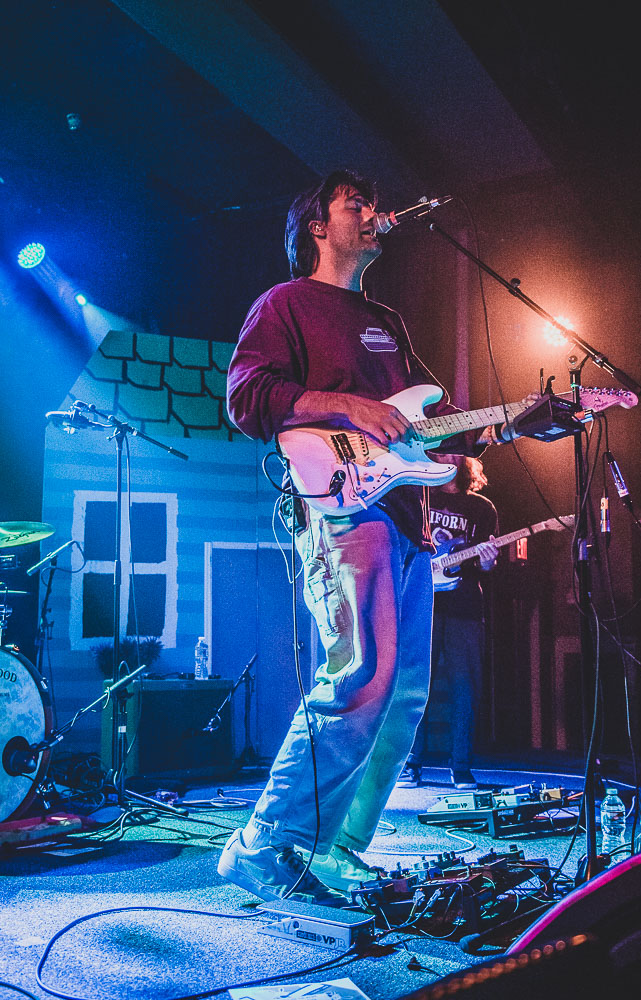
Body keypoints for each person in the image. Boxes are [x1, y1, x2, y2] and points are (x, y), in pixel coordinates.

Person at [218, 169, 518, 906]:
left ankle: (337, 845)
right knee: (361, 674)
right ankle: (266, 844)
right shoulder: (284, 304)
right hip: (341, 507)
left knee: (406, 692)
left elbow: (428, 419)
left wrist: (514, 419)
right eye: (356, 203)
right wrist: (346, 405)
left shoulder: (387, 320)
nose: (374, 211)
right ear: (317, 226)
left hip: (407, 518)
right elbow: (246, 396)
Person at [397, 455, 498, 792]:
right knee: (414, 684)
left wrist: (487, 562)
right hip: (421, 600)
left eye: (453, 452)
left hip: (464, 604)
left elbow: (487, 564)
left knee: (466, 688)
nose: (444, 456)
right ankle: (409, 763)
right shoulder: (418, 497)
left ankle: (461, 767)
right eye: (438, 451)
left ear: (464, 461)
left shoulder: (483, 508)